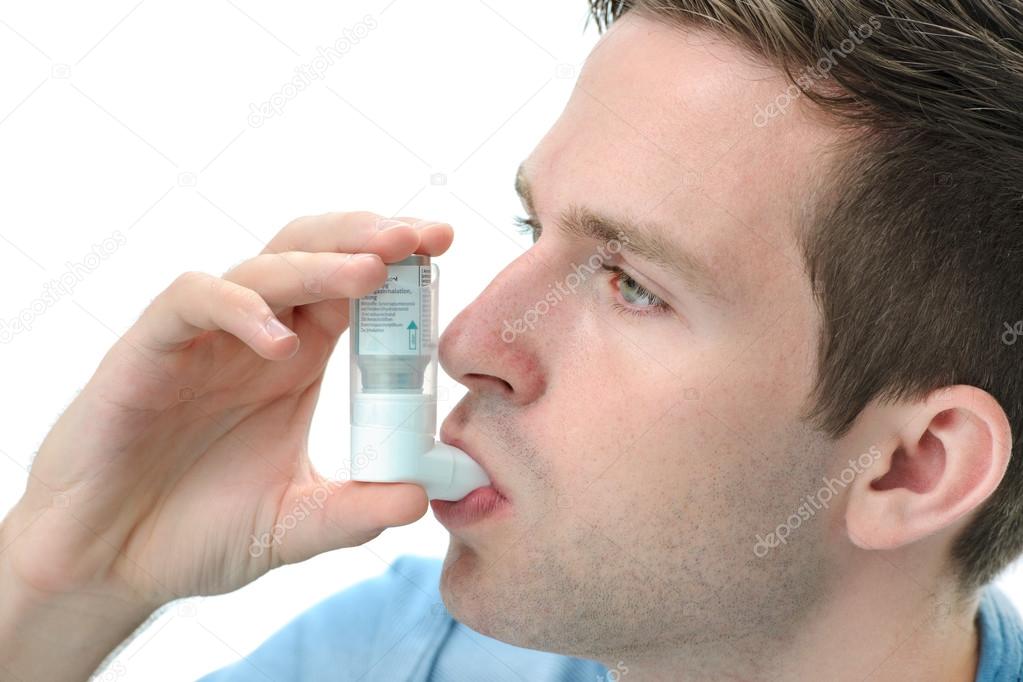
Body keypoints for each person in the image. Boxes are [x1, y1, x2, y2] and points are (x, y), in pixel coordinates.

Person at [3, 1, 1023, 679]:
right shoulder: (405, 652)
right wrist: (62, 581)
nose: (468, 338)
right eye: (539, 228)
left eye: (631, 284)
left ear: (912, 468)